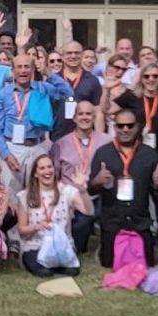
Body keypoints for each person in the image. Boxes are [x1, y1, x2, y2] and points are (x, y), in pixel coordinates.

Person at [109, 62, 158, 251]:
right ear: (141, 79)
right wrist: (107, 91)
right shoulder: (132, 97)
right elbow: (108, 109)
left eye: (155, 76)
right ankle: (133, 238)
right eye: (147, 76)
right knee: (136, 195)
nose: (151, 80)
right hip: (136, 152)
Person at [0, 54, 73, 197]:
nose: (23, 71)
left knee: (37, 194)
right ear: (13, 71)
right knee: (10, 197)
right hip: (12, 148)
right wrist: (6, 154)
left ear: (33, 70)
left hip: (37, 147)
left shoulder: (43, 88)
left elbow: (68, 93)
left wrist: (48, 73)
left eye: (27, 67)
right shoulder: (4, 94)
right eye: (19, 67)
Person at [89, 109, 158, 267]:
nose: (125, 130)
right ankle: (104, 246)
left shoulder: (149, 154)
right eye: (121, 126)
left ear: (137, 127)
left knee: (146, 264)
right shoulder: (103, 153)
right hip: (113, 221)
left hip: (139, 221)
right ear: (114, 127)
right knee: (109, 263)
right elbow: (91, 190)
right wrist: (97, 181)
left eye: (130, 126)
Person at [49, 100, 111, 253]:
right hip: (72, 198)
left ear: (94, 117)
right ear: (74, 117)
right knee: (80, 240)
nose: (85, 117)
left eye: (88, 114)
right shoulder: (61, 144)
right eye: (81, 114)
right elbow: (54, 177)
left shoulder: (106, 141)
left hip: (98, 193)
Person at [16, 154, 92, 277]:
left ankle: (57, 265)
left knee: (72, 271)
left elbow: (88, 211)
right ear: (35, 174)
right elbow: (21, 229)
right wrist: (36, 227)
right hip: (36, 245)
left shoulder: (66, 191)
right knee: (44, 272)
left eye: (49, 167)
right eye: (42, 168)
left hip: (62, 246)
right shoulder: (26, 196)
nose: (47, 171)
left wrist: (82, 190)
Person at [52, 41, 102, 140]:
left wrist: (99, 138)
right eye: (69, 53)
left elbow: (98, 111)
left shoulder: (92, 80)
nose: (73, 56)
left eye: (77, 53)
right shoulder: (53, 80)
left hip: (85, 136)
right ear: (62, 56)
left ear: (82, 55)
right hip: (57, 135)